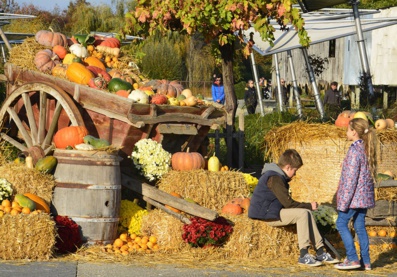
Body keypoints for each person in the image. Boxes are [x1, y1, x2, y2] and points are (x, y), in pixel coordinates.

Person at [248, 149, 339, 267]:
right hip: (266, 215)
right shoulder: (275, 178)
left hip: (272, 211)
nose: (295, 174)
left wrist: (307, 208)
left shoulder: (277, 176)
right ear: (288, 167)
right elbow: (288, 203)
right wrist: (309, 205)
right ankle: (303, 255)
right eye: (295, 170)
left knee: (306, 212)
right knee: (302, 214)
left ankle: (320, 251)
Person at [334, 118, 376, 271]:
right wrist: (345, 164)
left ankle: (352, 259)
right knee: (359, 226)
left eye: (347, 129)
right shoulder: (365, 148)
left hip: (354, 198)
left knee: (341, 223)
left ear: (354, 132)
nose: (346, 132)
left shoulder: (353, 150)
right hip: (363, 198)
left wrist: (343, 202)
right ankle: (366, 262)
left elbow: (350, 180)